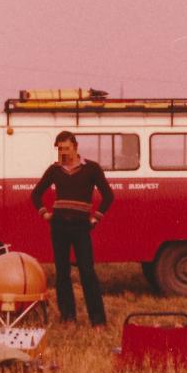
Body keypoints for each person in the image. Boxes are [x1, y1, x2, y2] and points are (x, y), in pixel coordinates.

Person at [30, 130, 114, 328]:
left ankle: (98, 321)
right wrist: (45, 213)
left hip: (81, 227)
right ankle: (68, 317)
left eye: (66, 148)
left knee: (87, 272)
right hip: (58, 226)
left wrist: (95, 219)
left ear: (75, 147)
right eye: (60, 149)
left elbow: (108, 196)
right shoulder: (54, 170)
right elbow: (36, 194)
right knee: (62, 273)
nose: (63, 152)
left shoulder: (91, 168)